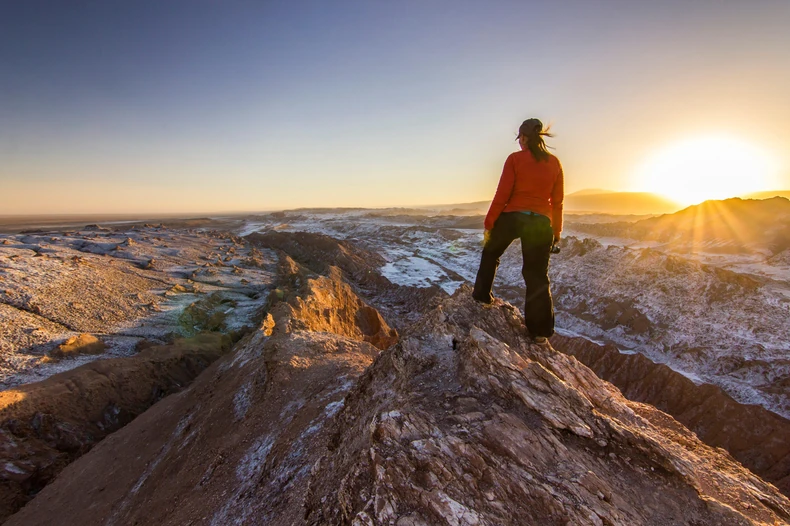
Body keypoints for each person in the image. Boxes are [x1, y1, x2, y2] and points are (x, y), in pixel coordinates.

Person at [472, 118, 564, 344]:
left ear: (523, 137)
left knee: (491, 252)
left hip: (513, 216)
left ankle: (482, 298)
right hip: (542, 223)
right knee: (537, 276)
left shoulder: (515, 159)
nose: (520, 142)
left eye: (519, 138)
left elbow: (502, 194)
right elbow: (558, 202)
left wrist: (489, 223)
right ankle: (540, 332)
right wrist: (557, 231)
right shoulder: (554, 163)